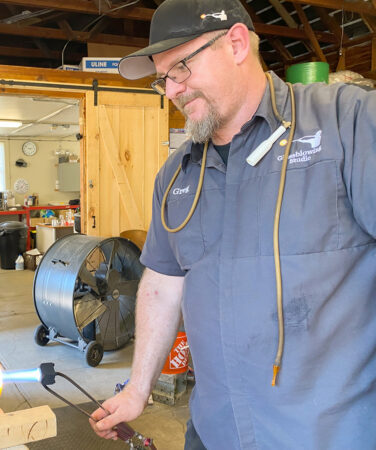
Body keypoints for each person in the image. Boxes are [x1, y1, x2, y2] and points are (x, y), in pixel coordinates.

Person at [88, 0, 376, 448]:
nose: (171, 90)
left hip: (326, 434)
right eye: (162, 78)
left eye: (180, 68)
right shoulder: (176, 174)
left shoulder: (347, 123)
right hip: (214, 430)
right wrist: (138, 388)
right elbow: (164, 283)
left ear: (237, 43)